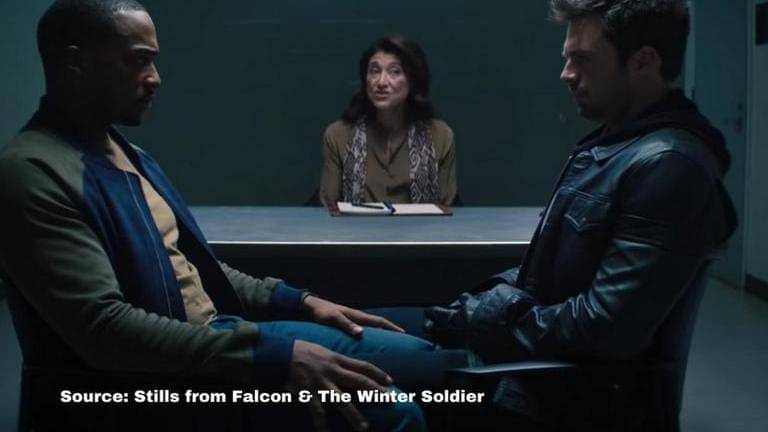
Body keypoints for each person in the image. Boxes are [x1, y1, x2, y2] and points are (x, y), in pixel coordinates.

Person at [0, 1, 437, 431]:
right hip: (157, 383)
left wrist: (298, 301)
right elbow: (104, 329)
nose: (155, 78)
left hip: (218, 336)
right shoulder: (33, 171)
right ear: (76, 64)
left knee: (423, 356)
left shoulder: (128, 155)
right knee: (399, 411)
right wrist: (276, 358)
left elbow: (191, 268)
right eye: (139, 61)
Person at [425, 0, 737, 430]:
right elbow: (550, 271)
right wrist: (479, 305)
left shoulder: (669, 165)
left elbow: (604, 328)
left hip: (549, 397)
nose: (566, 73)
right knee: (368, 338)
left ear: (644, 62)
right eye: (567, 57)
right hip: (532, 372)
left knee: (357, 381)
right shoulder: (615, 146)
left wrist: (486, 318)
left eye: (583, 59)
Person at [319, 35, 458, 207]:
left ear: (412, 80)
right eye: (374, 71)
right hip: (356, 225)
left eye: (395, 71)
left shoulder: (440, 136)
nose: (381, 82)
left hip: (421, 225)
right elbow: (328, 209)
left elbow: (446, 210)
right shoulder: (338, 135)